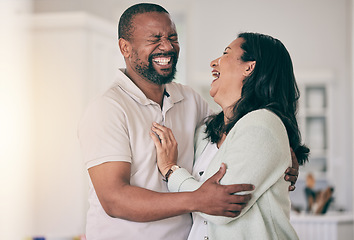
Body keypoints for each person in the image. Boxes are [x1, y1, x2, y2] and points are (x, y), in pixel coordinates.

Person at [78, 3, 299, 239]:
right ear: (125, 47)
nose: (167, 46)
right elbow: (114, 200)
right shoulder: (108, 108)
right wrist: (198, 199)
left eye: (173, 37)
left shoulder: (190, 100)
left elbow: (233, 137)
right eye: (155, 39)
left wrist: (284, 152)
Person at [151, 32, 309, 239]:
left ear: (249, 67)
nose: (213, 62)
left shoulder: (263, 124)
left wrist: (170, 171)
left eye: (225, 53)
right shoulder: (206, 131)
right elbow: (204, 199)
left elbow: (221, 207)